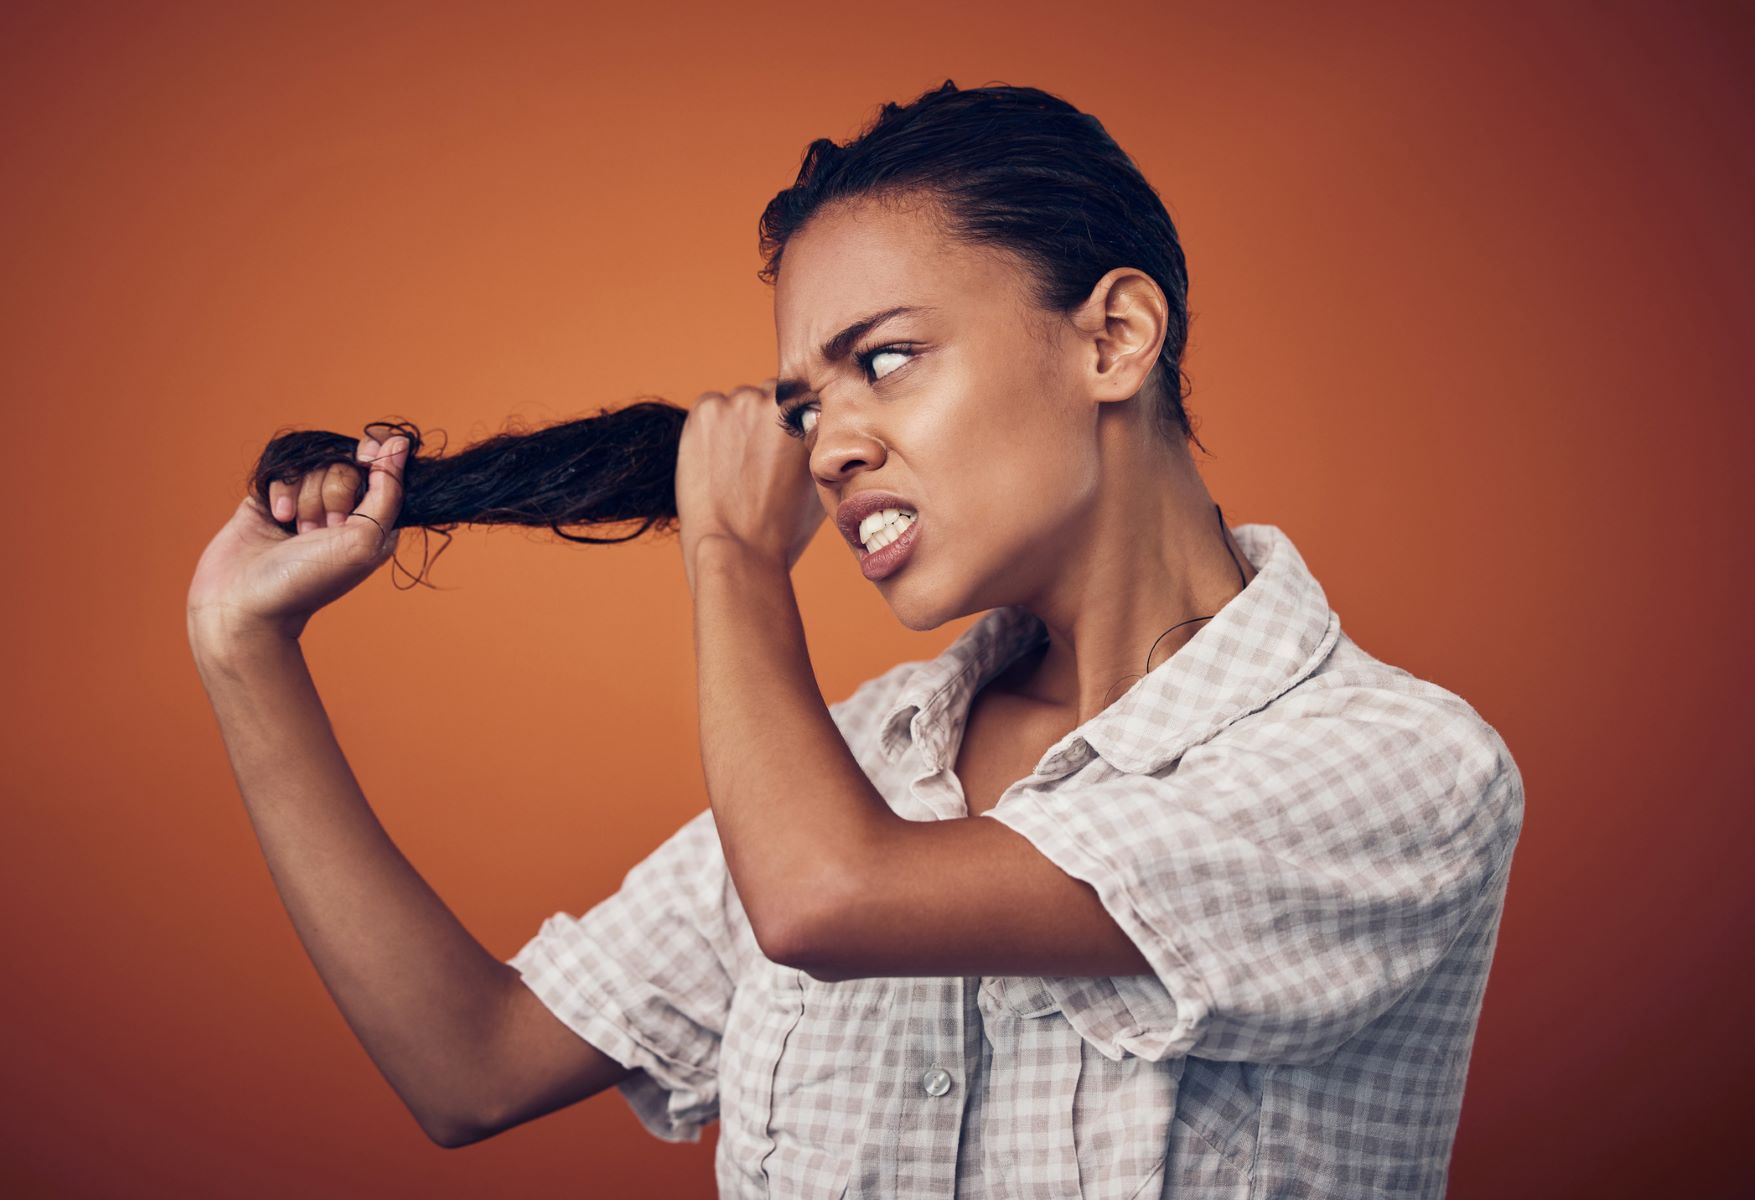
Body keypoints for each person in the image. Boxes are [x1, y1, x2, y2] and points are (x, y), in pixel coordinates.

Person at [187, 82, 1524, 1198]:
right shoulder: (870, 757)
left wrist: (727, 557)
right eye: (801, 401)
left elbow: (831, 900)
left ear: (1113, 337)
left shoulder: (1401, 770)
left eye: (881, 361)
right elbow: (471, 1064)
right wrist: (242, 652)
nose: (829, 447)